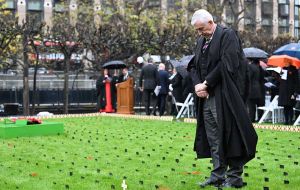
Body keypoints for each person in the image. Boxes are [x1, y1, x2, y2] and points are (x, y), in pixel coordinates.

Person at [188, 9, 258, 188]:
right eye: (197, 30)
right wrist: (198, 85)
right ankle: (218, 174)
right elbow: (193, 66)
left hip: (225, 96)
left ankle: (234, 177)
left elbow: (227, 63)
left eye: (202, 28)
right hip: (206, 98)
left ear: (211, 22)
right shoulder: (201, 42)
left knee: (230, 134)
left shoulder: (228, 36)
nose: (200, 33)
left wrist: (207, 83)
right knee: (213, 137)